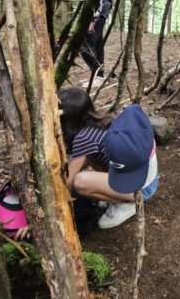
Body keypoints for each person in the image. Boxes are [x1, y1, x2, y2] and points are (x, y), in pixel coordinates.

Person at [58, 88, 159, 229]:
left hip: (141, 187)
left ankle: (127, 204)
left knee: (80, 182)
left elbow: (68, 182)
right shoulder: (103, 121)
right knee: (88, 158)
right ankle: (122, 194)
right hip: (147, 177)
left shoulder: (83, 138)